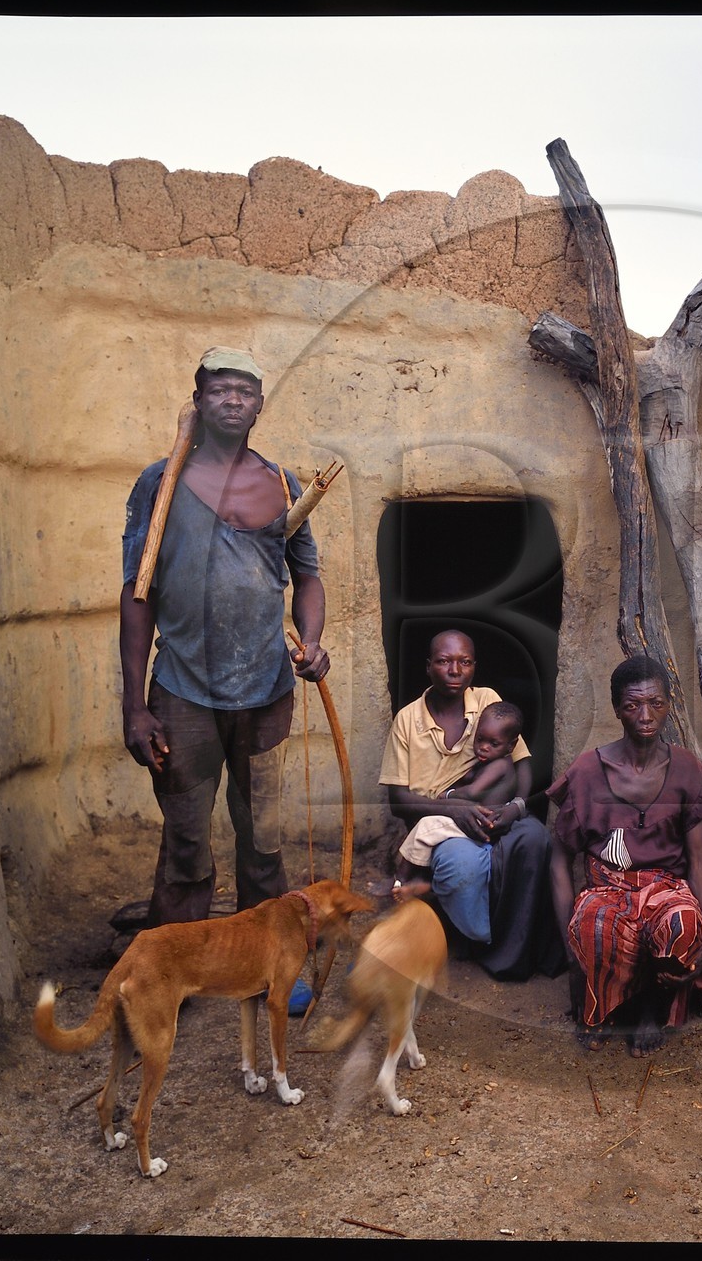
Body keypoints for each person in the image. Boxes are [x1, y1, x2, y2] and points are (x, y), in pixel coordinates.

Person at [120, 346, 330, 928]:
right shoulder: (160, 483)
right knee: (186, 843)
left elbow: (307, 578)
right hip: (182, 693)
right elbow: (137, 596)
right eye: (218, 389)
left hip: (266, 694)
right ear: (198, 400)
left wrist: (311, 641)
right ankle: (175, 968)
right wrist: (134, 705)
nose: (232, 399)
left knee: (263, 841)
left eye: (244, 390)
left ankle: (266, 961)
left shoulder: (284, 486)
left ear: (259, 405)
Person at [548, 655, 702, 1057]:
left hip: (666, 887)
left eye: (656, 703)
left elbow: (700, 860)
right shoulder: (587, 773)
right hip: (609, 888)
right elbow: (558, 859)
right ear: (618, 709)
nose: (646, 715)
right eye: (633, 705)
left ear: (669, 704)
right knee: (594, 922)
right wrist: (568, 938)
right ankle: (606, 1010)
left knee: (682, 924)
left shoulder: (687, 770)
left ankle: (653, 1011)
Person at [379, 631, 565, 981]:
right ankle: (473, 938)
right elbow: (398, 802)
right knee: (459, 864)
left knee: (535, 840)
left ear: (474, 668)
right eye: (444, 661)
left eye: (464, 662)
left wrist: (518, 806)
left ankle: (515, 952)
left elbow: (521, 760)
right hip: (440, 818)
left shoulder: (488, 701)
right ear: (428, 667)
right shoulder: (407, 720)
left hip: (496, 811)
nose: (454, 670)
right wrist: (452, 808)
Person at [393, 701, 524, 891]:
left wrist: (447, 795)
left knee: (426, 827)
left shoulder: (500, 765)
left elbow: (472, 792)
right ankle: (422, 880)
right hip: (478, 821)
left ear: (511, 746)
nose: (484, 747)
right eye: (480, 739)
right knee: (433, 832)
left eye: (493, 744)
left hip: (482, 824)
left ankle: (401, 878)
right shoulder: (491, 762)